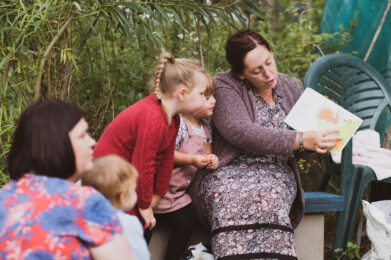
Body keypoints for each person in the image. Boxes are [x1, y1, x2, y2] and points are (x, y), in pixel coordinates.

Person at [190, 30, 341, 259]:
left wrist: (318, 143)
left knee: (269, 193)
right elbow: (241, 132)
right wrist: (300, 139)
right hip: (227, 171)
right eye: (256, 71)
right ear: (241, 74)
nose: (268, 73)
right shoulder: (224, 85)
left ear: (271, 53)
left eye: (269, 62)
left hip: (277, 172)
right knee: (234, 194)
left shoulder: (292, 87)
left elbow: (301, 145)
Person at [93, 52, 212, 234]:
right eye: (202, 93)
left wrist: (157, 196)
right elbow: (143, 164)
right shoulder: (152, 117)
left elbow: (165, 161)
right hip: (107, 182)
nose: (205, 99)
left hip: (128, 180)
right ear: (182, 93)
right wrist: (145, 204)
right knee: (138, 226)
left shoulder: (173, 119)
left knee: (145, 224)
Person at [0, 100, 134, 260]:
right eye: (82, 135)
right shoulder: (86, 203)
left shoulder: (5, 197)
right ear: (56, 145)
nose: (92, 142)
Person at [153, 76, 219, 260]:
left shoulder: (205, 128)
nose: (213, 101)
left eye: (213, 96)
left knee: (185, 224)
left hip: (179, 195)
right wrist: (192, 159)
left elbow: (207, 153)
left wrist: (212, 160)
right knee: (146, 228)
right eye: (206, 97)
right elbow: (166, 154)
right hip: (159, 191)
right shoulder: (179, 124)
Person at [82, 155, 150, 260]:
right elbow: (141, 256)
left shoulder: (82, 217)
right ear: (122, 197)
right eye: (133, 189)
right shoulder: (128, 223)